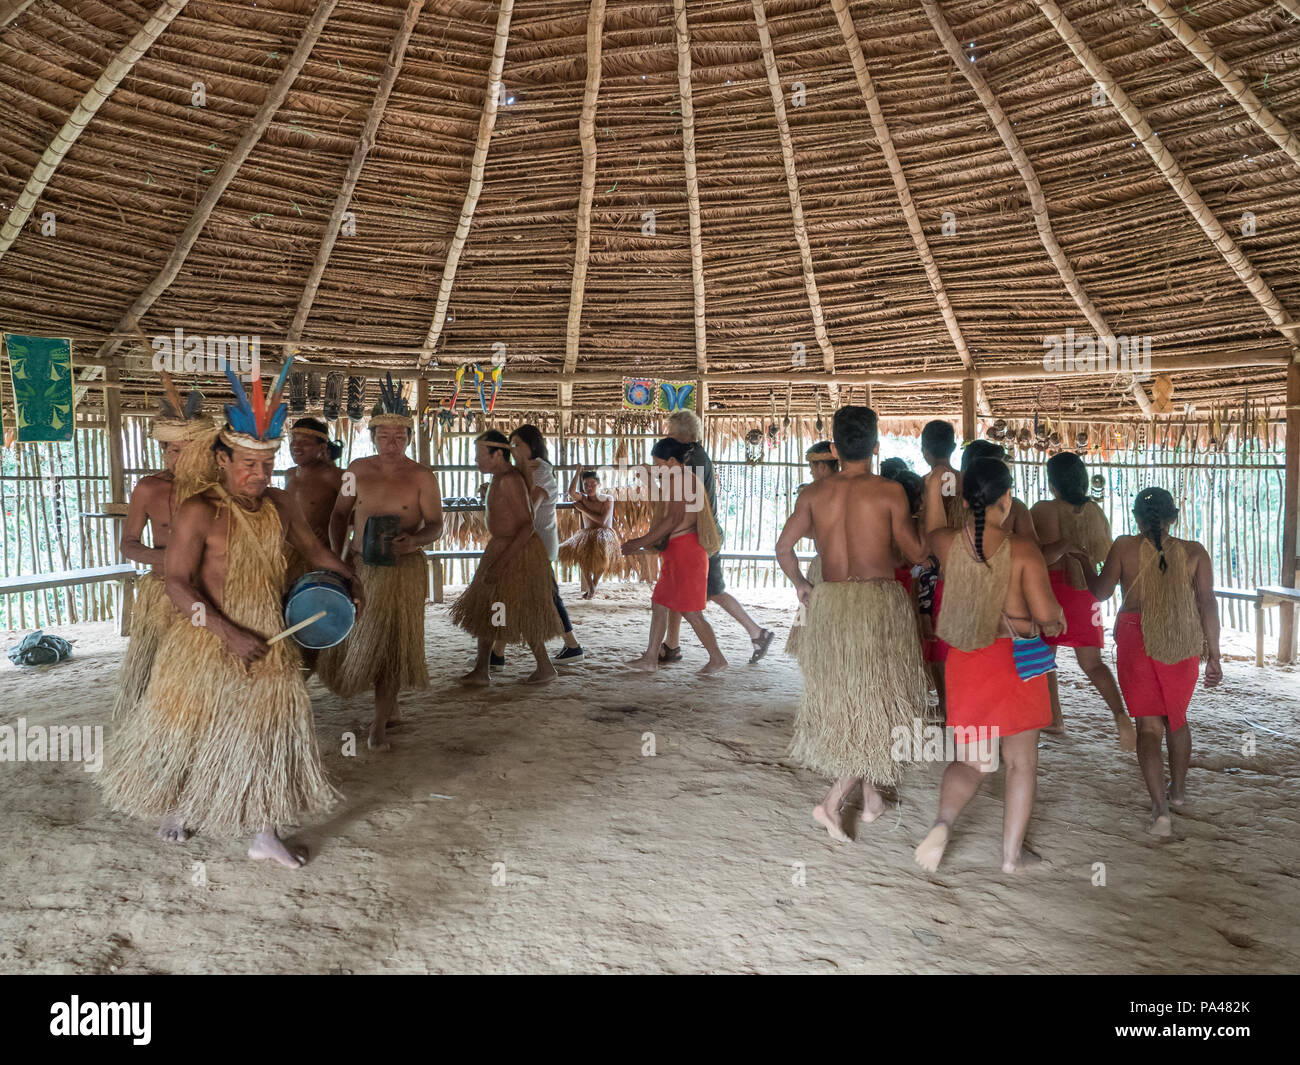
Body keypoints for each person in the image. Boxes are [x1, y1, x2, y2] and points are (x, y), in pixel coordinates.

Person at [100, 371, 357, 867]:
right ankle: (176, 805)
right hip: (204, 636)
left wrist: (351, 576)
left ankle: (265, 833)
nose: (259, 473)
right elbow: (176, 582)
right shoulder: (200, 510)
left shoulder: (280, 503)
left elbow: (313, 549)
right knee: (186, 722)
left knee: (270, 729)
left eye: (267, 462)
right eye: (247, 464)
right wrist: (225, 631)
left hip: (269, 634)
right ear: (223, 459)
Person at [775, 406, 930, 842]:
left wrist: (803, 586)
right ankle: (830, 803)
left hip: (833, 607)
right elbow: (916, 554)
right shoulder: (888, 493)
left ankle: (873, 799)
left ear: (836, 448)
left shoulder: (813, 494)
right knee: (875, 699)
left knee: (858, 702)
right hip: (877, 606)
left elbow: (783, 548)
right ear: (876, 447)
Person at [914, 457, 1065, 875]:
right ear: (1007, 499)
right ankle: (1011, 857)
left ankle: (943, 823)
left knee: (971, 762)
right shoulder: (1022, 550)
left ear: (964, 501)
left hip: (968, 661)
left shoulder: (947, 543)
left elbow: (929, 532)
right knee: (1021, 764)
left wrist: (932, 486)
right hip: (1014, 663)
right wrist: (1049, 619)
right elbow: (1047, 613)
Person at [1083, 487, 1221, 836]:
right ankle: (1178, 791)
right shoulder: (1195, 553)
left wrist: (1084, 561)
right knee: (1176, 718)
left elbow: (1099, 592)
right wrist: (1215, 655)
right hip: (1182, 641)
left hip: (1137, 638)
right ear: (1173, 517)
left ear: (1136, 517)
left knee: (1148, 727)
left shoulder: (1124, 547)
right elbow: (1207, 603)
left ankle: (1160, 810)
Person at [318, 392, 442, 750]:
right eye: (385, 436)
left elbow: (435, 524)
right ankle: (390, 708)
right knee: (365, 639)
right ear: (372, 437)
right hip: (362, 567)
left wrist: (415, 541)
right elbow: (340, 514)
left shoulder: (422, 476)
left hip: (403, 570)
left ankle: (379, 726)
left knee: (392, 646)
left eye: (400, 436)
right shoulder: (356, 470)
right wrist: (339, 558)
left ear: (408, 438)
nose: (392, 443)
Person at [114, 391, 219, 723]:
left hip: (211, 592)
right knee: (157, 677)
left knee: (206, 675)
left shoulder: (218, 489)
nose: (181, 458)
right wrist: (168, 560)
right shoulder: (148, 488)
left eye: (190, 451)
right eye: (174, 450)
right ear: (163, 451)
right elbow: (128, 544)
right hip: (162, 594)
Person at [1031, 453, 1134, 750]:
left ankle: (1054, 718)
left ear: (1052, 483)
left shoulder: (1043, 510)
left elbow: (1037, 554)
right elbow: (1102, 554)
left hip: (1050, 589)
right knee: (1092, 663)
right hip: (1084, 591)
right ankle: (1120, 715)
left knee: (1042, 659)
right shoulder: (1095, 512)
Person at [659, 409, 775, 666]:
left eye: (670, 432)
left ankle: (757, 633)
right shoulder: (694, 455)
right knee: (678, 589)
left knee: (713, 591)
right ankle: (672, 645)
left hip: (699, 536)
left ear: (680, 434)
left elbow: (688, 501)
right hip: (701, 533)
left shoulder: (691, 460)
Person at [453, 431, 565, 685]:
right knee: (490, 607)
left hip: (516, 551)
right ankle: (483, 669)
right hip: (502, 547)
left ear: (498, 455)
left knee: (519, 608)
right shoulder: (499, 478)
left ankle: (544, 667)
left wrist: (501, 563)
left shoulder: (509, 480)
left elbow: (526, 526)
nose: (475, 460)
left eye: (480, 454)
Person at [622, 437, 728, 675]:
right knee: (659, 603)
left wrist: (640, 542)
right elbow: (668, 511)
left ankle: (718, 658)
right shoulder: (679, 479)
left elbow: (672, 520)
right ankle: (650, 657)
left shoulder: (681, 480)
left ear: (672, 461)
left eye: (658, 464)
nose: (657, 468)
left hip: (686, 552)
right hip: (678, 551)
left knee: (690, 612)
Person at [490, 425, 584, 669]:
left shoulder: (540, 473)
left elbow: (527, 509)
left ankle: (570, 647)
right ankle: (497, 653)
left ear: (533, 446)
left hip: (536, 545)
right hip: (527, 543)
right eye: (511, 444)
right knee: (514, 596)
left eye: (517, 444)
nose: (513, 448)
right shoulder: (525, 471)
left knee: (539, 596)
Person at [917, 420, 964, 716]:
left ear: (923, 450)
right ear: (954, 447)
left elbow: (925, 539)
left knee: (934, 638)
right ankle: (957, 702)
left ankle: (946, 704)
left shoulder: (927, 484)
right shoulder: (966, 482)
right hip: (963, 569)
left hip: (934, 571)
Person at [785, 442, 841, 657]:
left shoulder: (813, 494)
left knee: (818, 635)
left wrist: (799, 582)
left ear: (822, 467)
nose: (812, 473)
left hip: (825, 569)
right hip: (859, 575)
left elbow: (785, 546)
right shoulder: (858, 489)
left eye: (812, 468)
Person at [283, 416, 344, 585]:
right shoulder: (289, 474)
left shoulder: (336, 476)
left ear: (322, 447)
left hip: (320, 556)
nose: (296, 445)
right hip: (288, 553)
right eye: (294, 440)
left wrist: (330, 535)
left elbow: (353, 515)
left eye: (305, 442)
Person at [558, 469, 619, 598]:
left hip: (605, 534)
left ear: (599, 484)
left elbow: (602, 521)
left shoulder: (608, 499)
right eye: (586, 484)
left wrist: (583, 509)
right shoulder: (583, 498)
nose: (589, 487)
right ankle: (591, 586)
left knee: (602, 548)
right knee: (580, 551)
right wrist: (577, 472)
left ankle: (594, 584)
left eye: (593, 484)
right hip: (586, 534)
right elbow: (571, 492)